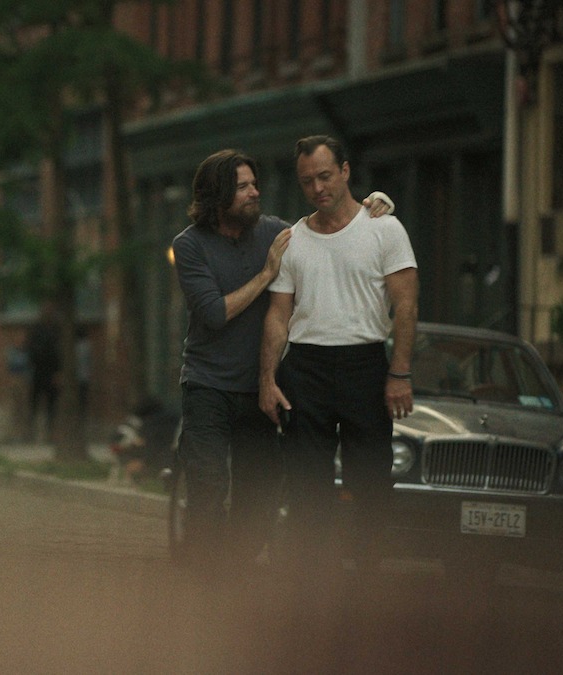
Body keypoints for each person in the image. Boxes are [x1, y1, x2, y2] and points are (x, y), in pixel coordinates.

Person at [172, 148, 394, 576]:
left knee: (260, 493)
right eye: (243, 187)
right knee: (209, 482)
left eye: (255, 183)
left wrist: (372, 206)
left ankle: (232, 566)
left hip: (261, 388)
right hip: (208, 386)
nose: (255, 192)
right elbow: (214, 313)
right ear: (219, 196)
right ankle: (201, 576)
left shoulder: (274, 230)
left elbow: (327, 225)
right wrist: (266, 272)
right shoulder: (190, 245)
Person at [258, 135, 419, 579]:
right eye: (307, 181)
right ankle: (315, 572)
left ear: (346, 171)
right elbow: (278, 315)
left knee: (370, 477)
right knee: (307, 480)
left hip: (364, 363)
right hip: (305, 366)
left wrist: (399, 372)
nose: (317, 188)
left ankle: (364, 569)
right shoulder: (293, 241)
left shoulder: (384, 229)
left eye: (326, 176)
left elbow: (406, 305)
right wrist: (267, 378)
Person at [26, 302, 62, 442]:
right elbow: (30, 349)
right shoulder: (37, 329)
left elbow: (59, 353)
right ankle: (33, 433)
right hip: (38, 371)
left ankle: (49, 433)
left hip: (50, 372)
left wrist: (59, 371)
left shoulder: (55, 329)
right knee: (35, 403)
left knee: (50, 406)